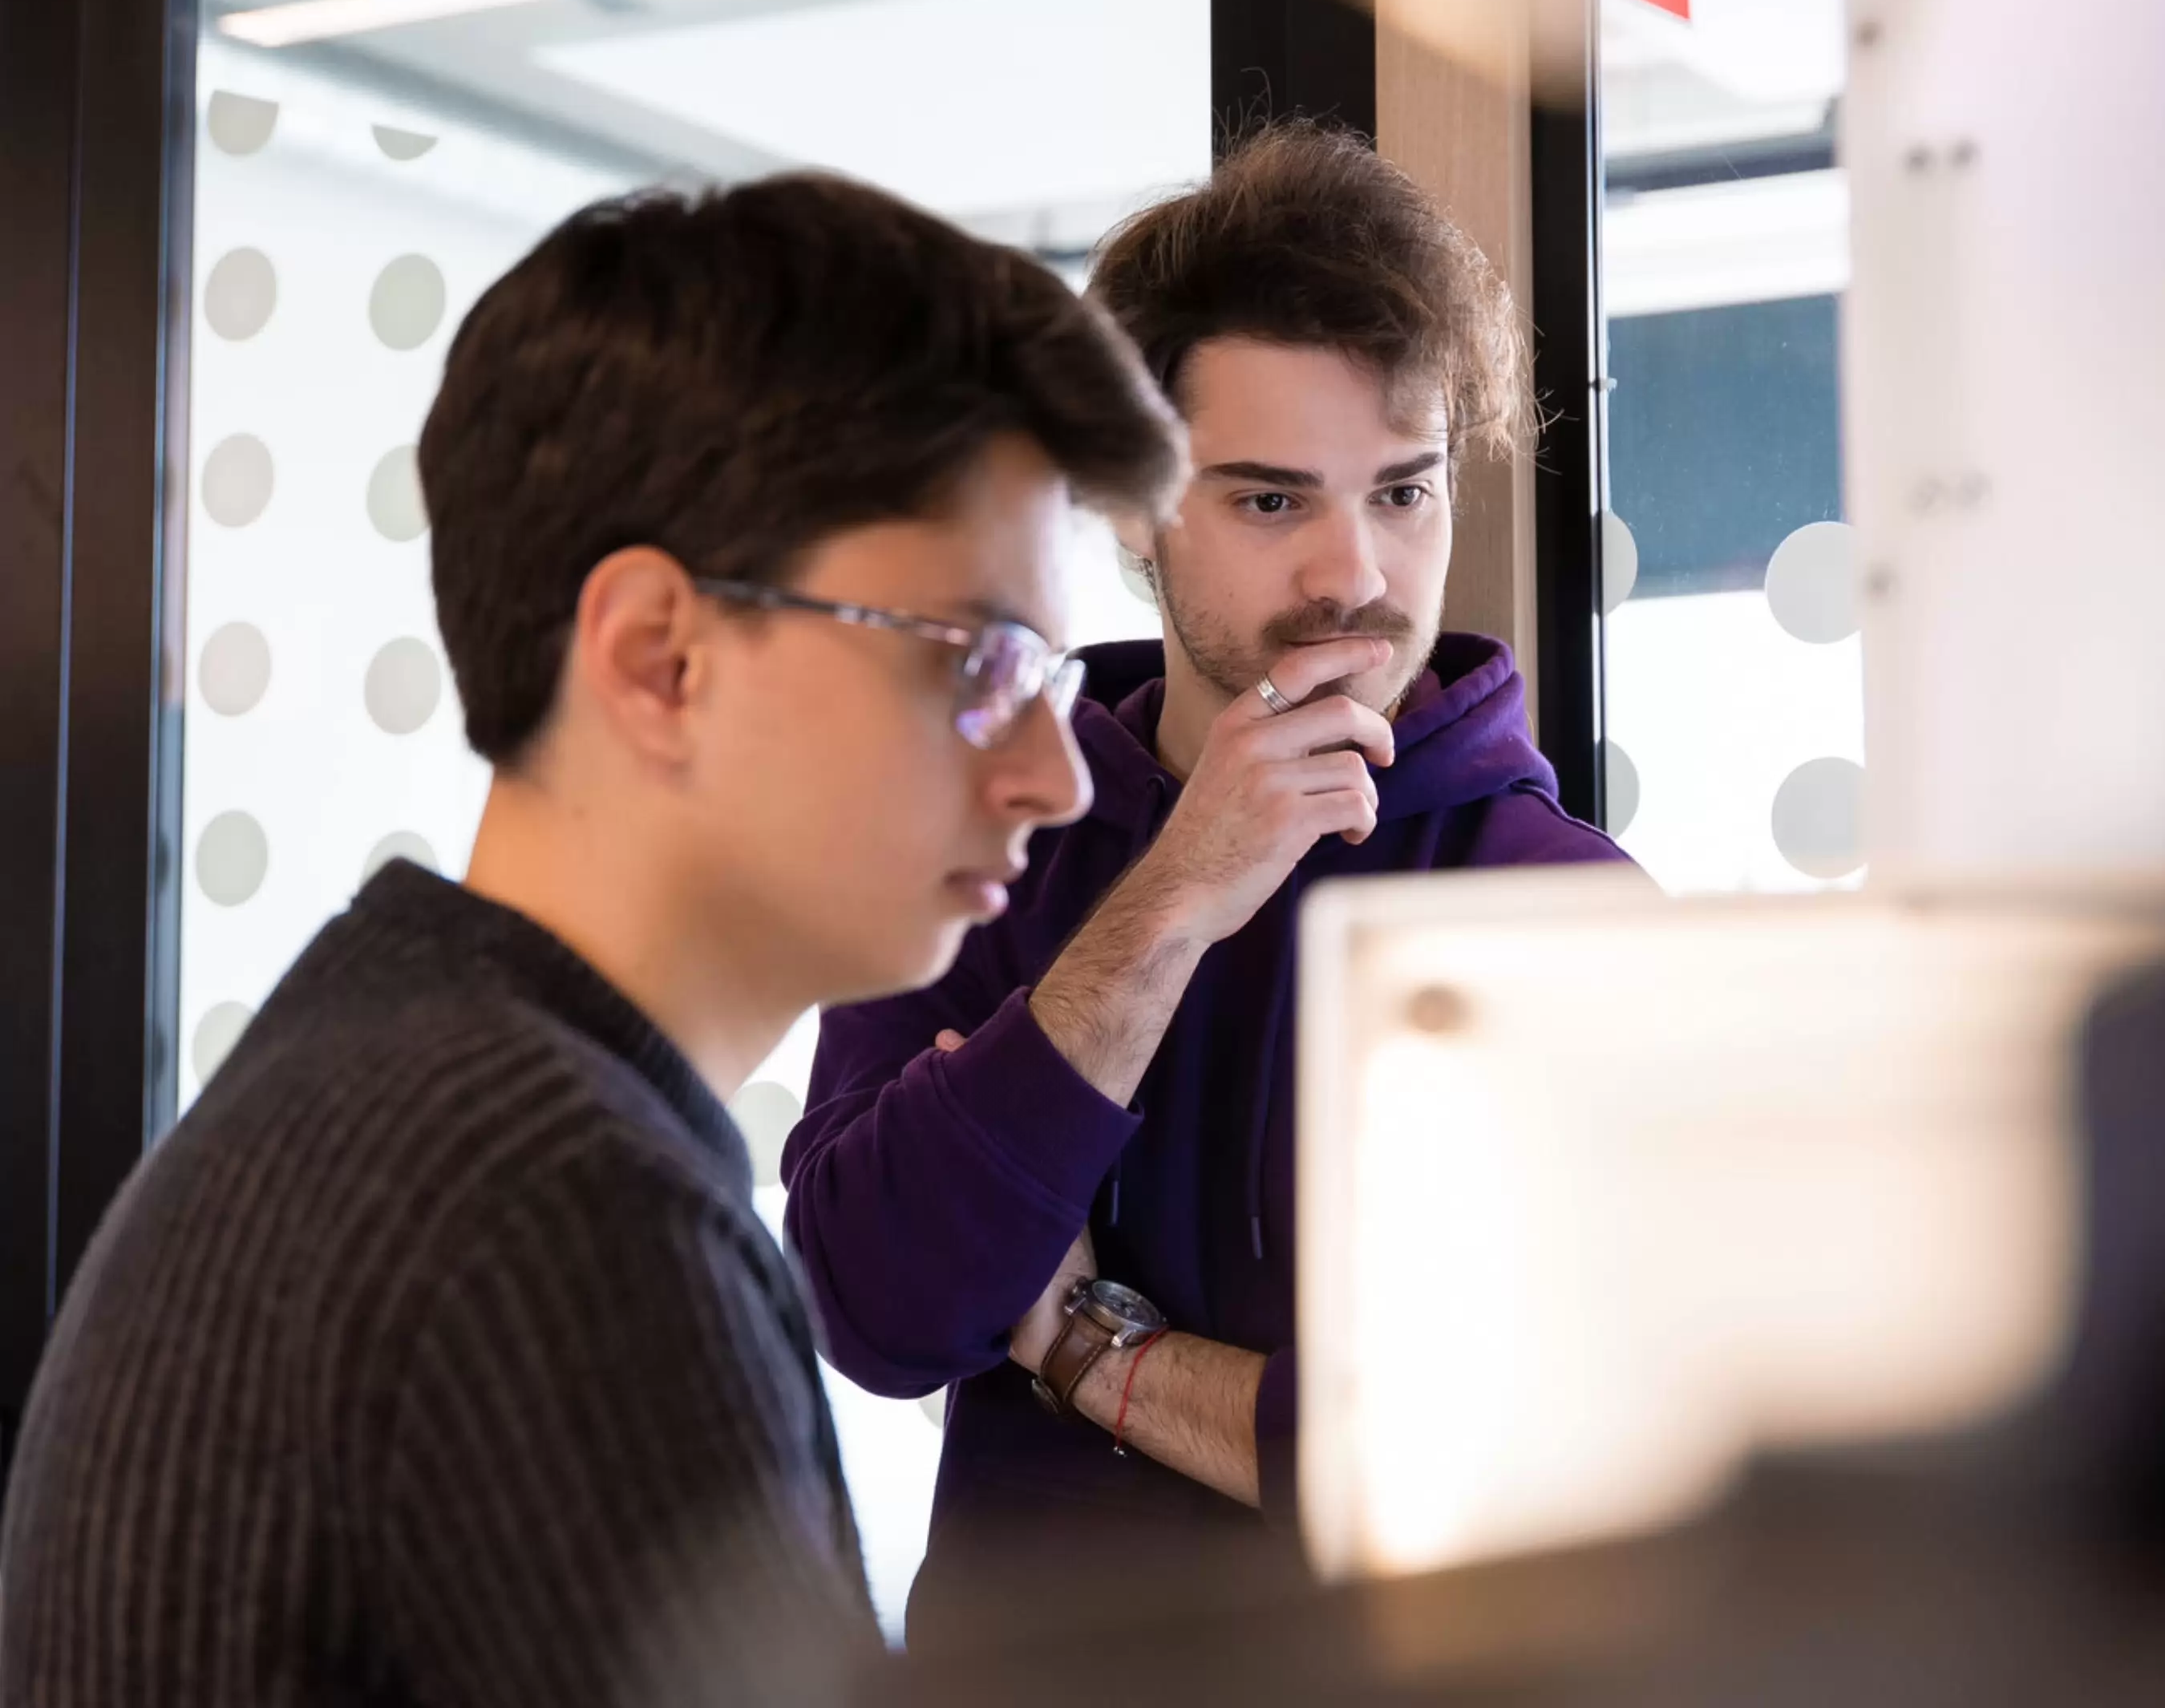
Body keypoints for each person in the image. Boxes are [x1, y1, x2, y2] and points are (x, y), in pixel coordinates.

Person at [0, 176, 1183, 1706]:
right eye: (980, 662)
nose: (1059, 776)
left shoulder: (395, 1083)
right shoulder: (564, 1219)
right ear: (659, 657)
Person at [783, 122, 1636, 1647]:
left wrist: (1087, 1351)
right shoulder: (986, 832)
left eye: (1404, 493)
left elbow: (1508, 1475)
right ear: (1131, 509)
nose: (1352, 575)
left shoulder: (1558, 908)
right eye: (1269, 502)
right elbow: (878, 1309)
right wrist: (1172, 901)